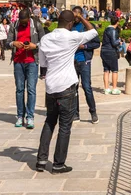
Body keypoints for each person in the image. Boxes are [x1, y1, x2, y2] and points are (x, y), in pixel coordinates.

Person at [36, 10, 98, 174]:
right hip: (67, 87)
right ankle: (58, 164)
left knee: (49, 122)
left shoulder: (45, 39)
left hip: (51, 87)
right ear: (71, 24)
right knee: (65, 126)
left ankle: (41, 160)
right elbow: (93, 32)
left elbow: (43, 65)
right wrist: (83, 18)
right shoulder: (72, 37)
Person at [7, 8, 45, 129]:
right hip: (18, 61)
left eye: (25, 21)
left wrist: (35, 46)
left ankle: (30, 117)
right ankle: (20, 116)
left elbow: (44, 41)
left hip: (32, 61)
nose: (23, 24)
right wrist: (14, 43)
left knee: (31, 89)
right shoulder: (14, 25)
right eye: (21, 21)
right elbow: (7, 42)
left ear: (29, 18)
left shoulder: (37, 25)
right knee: (19, 89)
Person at [71, 5, 100, 124]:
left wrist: (84, 46)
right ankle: (75, 114)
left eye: (77, 15)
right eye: (74, 15)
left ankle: (93, 112)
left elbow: (96, 43)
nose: (75, 18)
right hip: (72, 62)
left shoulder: (86, 27)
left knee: (87, 87)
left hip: (84, 61)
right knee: (73, 89)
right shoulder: (69, 27)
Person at [100, 17, 122, 95]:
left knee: (106, 70)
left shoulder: (106, 29)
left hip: (104, 51)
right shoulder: (113, 30)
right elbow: (114, 43)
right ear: (117, 22)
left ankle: (106, 89)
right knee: (114, 70)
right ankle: (114, 88)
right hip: (111, 51)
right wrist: (119, 42)